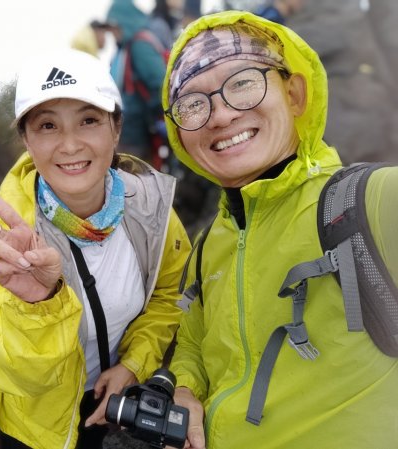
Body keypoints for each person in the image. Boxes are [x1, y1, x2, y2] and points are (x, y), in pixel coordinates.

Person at [161, 10, 398, 449]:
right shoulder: (208, 244)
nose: (220, 115)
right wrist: (185, 390)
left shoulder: (370, 200)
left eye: (242, 83)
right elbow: (193, 343)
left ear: (294, 93)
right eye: (193, 103)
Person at [0, 48, 190, 449]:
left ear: (115, 128)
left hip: (117, 404)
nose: (70, 144)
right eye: (47, 126)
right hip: (41, 428)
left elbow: (167, 295)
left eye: (89, 120)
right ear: (26, 139)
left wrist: (133, 364)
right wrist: (37, 307)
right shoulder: (9, 242)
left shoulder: (152, 210)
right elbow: (19, 379)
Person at [106, 0, 168, 163]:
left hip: (139, 132)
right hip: (130, 130)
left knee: (136, 179)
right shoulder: (125, 48)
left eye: (115, 25)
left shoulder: (140, 45)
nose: (113, 32)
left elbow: (160, 83)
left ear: (125, 20)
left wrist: (156, 117)